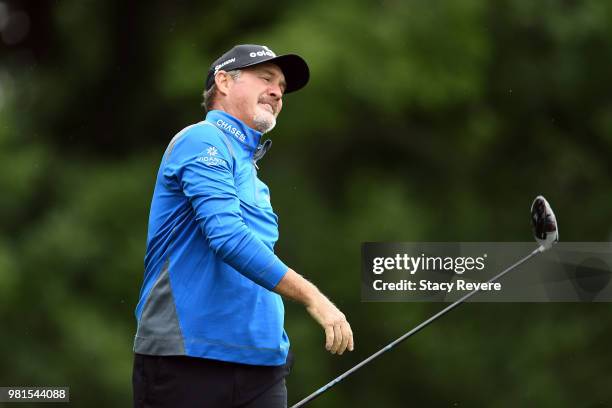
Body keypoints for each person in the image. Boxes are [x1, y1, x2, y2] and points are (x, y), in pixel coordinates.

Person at [132, 44, 354, 408]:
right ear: (223, 81)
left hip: (262, 365)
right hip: (189, 360)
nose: (277, 91)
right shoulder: (202, 140)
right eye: (265, 78)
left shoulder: (252, 173)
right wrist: (314, 297)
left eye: (281, 86)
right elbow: (228, 238)